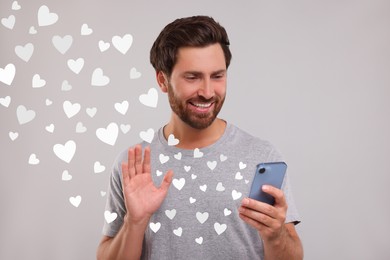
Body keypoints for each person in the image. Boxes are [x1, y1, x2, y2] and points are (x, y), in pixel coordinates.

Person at [97, 15, 303, 260]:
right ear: (163, 80)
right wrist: (135, 222)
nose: (207, 92)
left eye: (217, 76)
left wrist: (275, 234)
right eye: (192, 77)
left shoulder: (262, 156)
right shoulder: (134, 164)